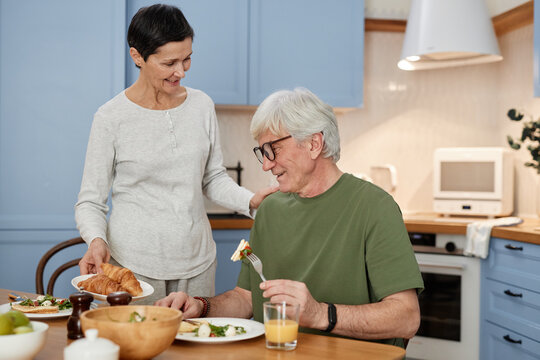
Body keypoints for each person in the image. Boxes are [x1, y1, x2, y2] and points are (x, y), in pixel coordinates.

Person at [155, 88, 424, 347]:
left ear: (313, 144)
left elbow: (406, 318)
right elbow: (246, 299)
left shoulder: (374, 206)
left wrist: (320, 314)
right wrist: (201, 306)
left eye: (272, 148)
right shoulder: (270, 210)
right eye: (262, 152)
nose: (266, 164)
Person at [74, 4, 276, 304]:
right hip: (131, 266)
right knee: (135, 347)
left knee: (192, 347)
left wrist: (249, 201)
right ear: (137, 56)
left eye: (187, 59)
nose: (180, 72)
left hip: (198, 263)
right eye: (169, 63)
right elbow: (90, 201)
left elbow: (212, 178)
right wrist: (97, 239)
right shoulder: (111, 117)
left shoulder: (201, 106)